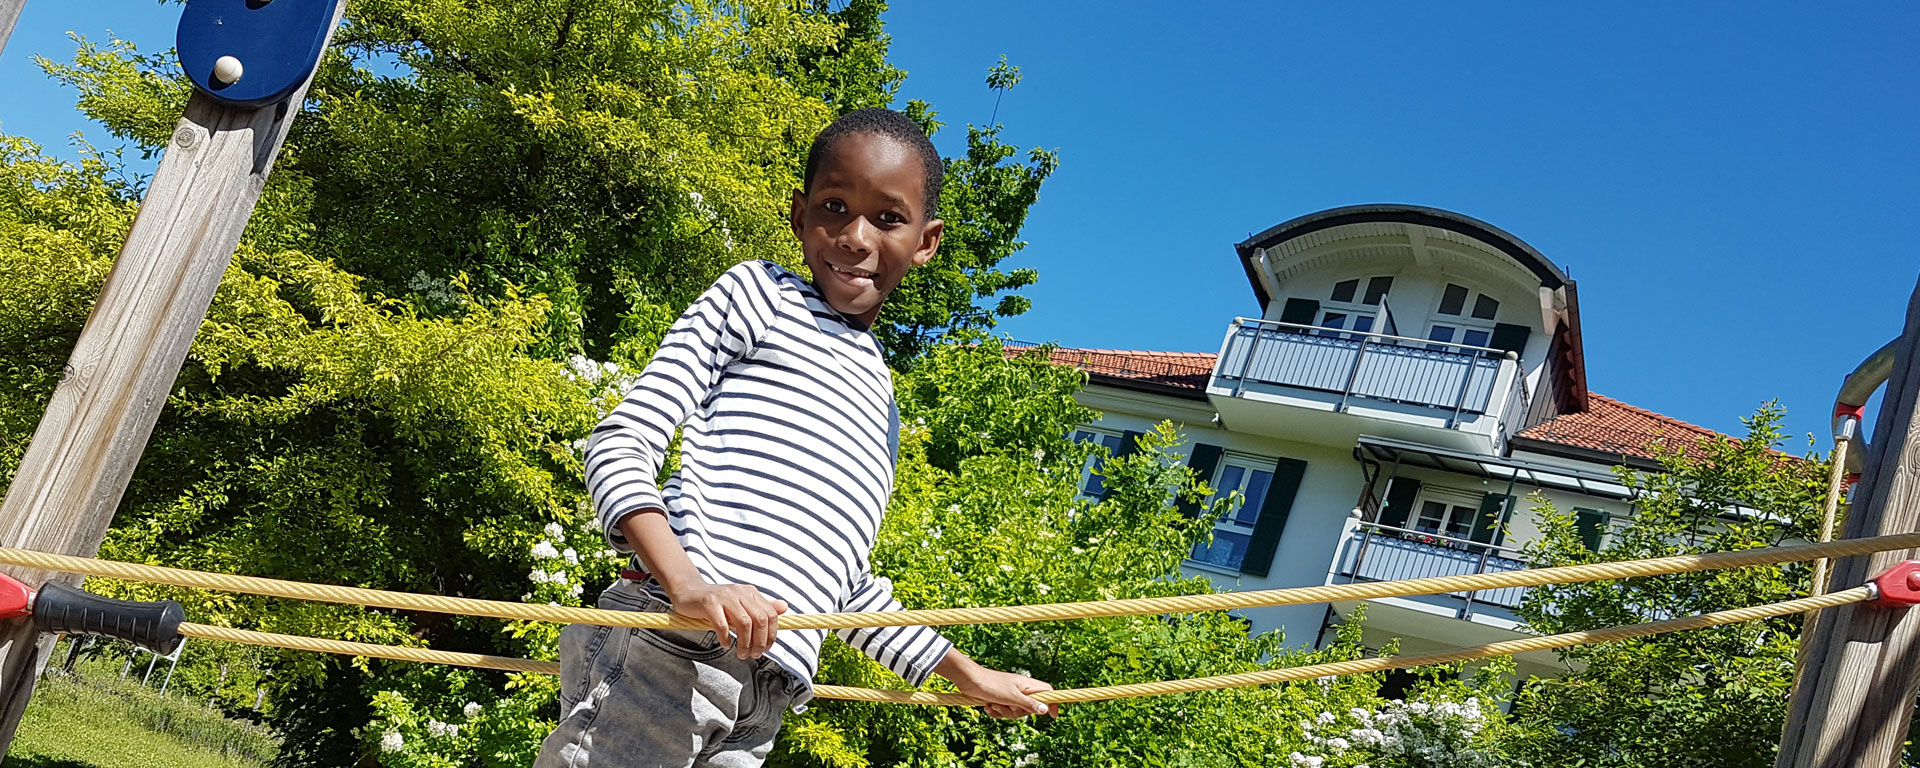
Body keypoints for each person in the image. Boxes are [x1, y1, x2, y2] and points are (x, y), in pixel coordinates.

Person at [536, 108, 1055, 768]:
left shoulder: (881, 403)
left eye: (888, 218)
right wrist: (688, 584)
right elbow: (619, 441)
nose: (854, 237)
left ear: (926, 242)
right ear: (799, 215)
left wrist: (969, 676)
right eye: (835, 206)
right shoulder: (758, 297)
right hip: (673, 642)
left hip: (767, 694)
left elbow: (844, 583)